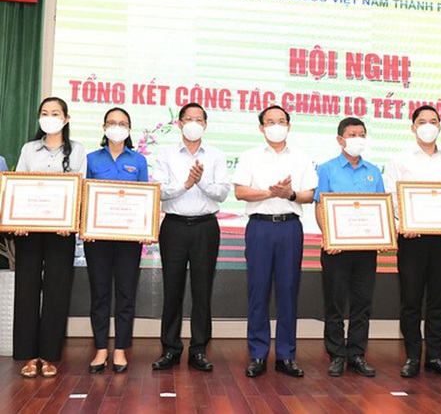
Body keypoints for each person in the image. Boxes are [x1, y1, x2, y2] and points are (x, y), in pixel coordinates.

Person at [233, 105, 318, 378]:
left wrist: (289, 194)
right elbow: (240, 191)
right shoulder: (249, 156)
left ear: (289, 126)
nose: (276, 125)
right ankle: (257, 354)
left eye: (282, 121)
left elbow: (308, 195)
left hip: (289, 228)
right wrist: (271, 192)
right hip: (259, 228)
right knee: (258, 291)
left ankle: (286, 356)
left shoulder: (302, 158)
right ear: (261, 127)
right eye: (270, 121)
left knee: (288, 291)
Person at [384, 105, 441, 379]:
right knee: (411, 300)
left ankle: (435, 357)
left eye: (433, 121)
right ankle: (411, 357)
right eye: (422, 121)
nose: (428, 125)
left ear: (440, 126)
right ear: (413, 127)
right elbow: (392, 198)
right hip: (412, 240)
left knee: (440, 301)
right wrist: (401, 225)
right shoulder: (399, 160)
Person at [151, 102, 230, 372]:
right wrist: (186, 183)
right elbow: (159, 191)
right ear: (180, 123)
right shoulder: (165, 154)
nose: (194, 123)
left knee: (202, 290)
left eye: (199, 119)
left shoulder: (217, 155)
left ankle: (199, 350)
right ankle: (170, 349)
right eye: (188, 118)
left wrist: (201, 181)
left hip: (206, 227)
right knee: (172, 290)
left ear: (205, 125)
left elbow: (221, 192)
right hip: (173, 227)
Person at [13, 97, 87, 378]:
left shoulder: (77, 150)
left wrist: (71, 221)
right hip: (29, 230)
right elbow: (17, 185)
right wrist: (16, 221)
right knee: (27, 290)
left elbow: (80, 189)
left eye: (55, 113)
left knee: (57, 292)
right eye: (44, 113)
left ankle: (49, 355)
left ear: (66, 119)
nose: (49, 117)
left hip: (61, 231)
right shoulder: (29, 149)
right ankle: (28, 356)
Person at [314, 117, 385, 377]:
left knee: (362, 304)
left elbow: (381, 209)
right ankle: (336, 355)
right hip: (336, 250)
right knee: (335, 304)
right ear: (340, 139)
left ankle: (356, 354)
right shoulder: (327, 169)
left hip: (366, 250)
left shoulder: (374, 171)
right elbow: (320, 205)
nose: (358, 139)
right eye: (352, 134)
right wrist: (328, 237)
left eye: (362, 134)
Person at [84, 107, 148, 374]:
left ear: (130, 129)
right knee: (99, 293)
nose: (117, 127)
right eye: (112, 122)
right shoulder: (90, 158)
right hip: (97, 238)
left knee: (125, 293)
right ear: (104, 127)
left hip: (129, 239)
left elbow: (146, 196)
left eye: (122, 123)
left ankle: (120, 349)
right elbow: (83, 196)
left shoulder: (139, 160)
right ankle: (100, 348)